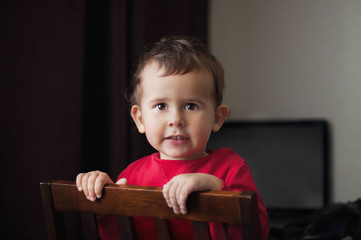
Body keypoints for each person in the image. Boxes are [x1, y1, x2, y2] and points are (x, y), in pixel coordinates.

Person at [76, 35, 269, 240]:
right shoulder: (132, 176)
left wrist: (217, 189)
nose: (176, 120)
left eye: (190, 106)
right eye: (161, 106)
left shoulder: (231, 168)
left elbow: (258, 231)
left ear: (217, 118)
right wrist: (102, 204)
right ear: (140, 119)